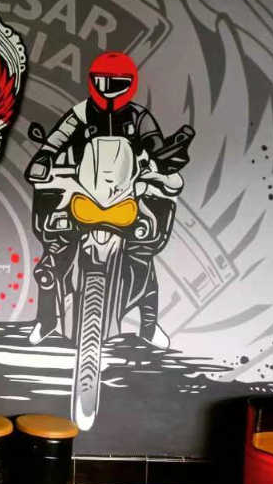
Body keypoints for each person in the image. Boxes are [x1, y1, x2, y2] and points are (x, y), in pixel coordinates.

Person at [27, 52, 187, 347]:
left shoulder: (139, 116)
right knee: (55, 251)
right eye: (102, 82)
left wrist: (163, 160)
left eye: (116, 83)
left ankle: (149, 325)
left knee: (142, 253)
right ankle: (46, 320)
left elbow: (153, 142)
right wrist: (45, 156)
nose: (108, 89)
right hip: (84, 190)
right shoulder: (81, 113)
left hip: (126, 192)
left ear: (130, 83)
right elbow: (58, 137)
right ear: (92, 82)